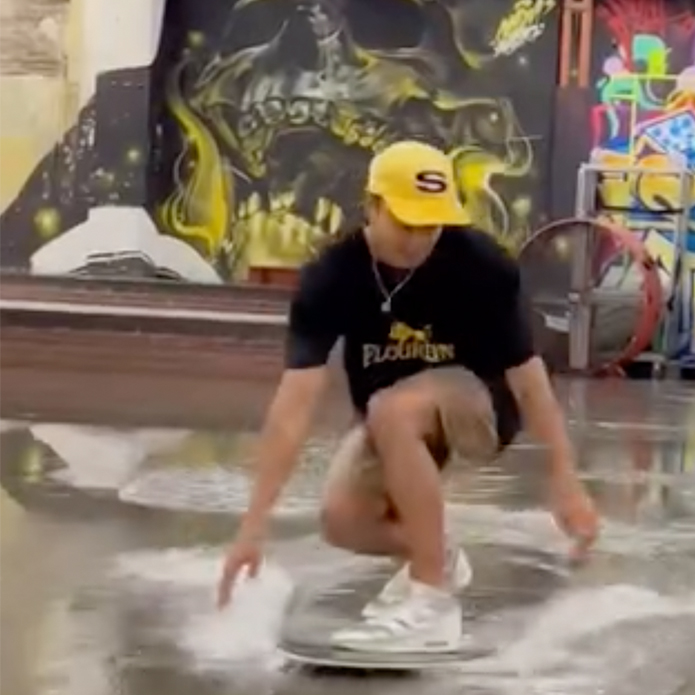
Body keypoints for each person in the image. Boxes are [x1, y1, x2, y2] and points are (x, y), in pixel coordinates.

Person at [215, 140, 600, 654]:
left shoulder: (482, 266)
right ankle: (438, 556)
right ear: (372, 206)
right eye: (405, 223)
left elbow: (529, 379)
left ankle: (431, 601)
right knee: (343, 521)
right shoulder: (333, 277)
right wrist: (252, 528)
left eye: (431, 224)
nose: (419, 240)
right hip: (389, 418)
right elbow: (293, 408)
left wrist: (565, 478)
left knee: (393, 409)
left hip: (479, 408)